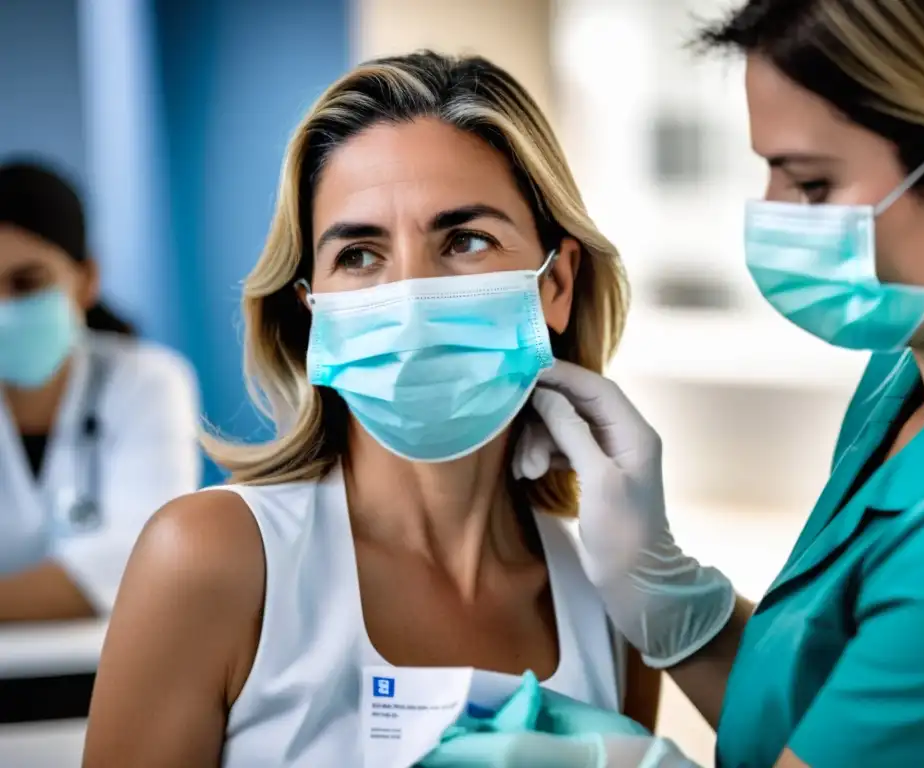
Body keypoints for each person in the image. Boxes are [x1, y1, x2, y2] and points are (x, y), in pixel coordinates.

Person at [83, 51, 664, 767]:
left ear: (557, 283)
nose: (410, 295)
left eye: (466, 240)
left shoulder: (616, 600)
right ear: (312, 309)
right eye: (359, 254)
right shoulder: (213, 561)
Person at [504, 2, 924, 766]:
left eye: (812, 185)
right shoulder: (906, 371)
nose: (772, 214)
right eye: (768, 170)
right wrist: (673, 600)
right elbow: (833, 699)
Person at [0, 160, 201, 623]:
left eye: (27, 282)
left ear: (86, 278)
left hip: (108, 673)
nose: (5, 308)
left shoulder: (147, 381)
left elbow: (140, 555)